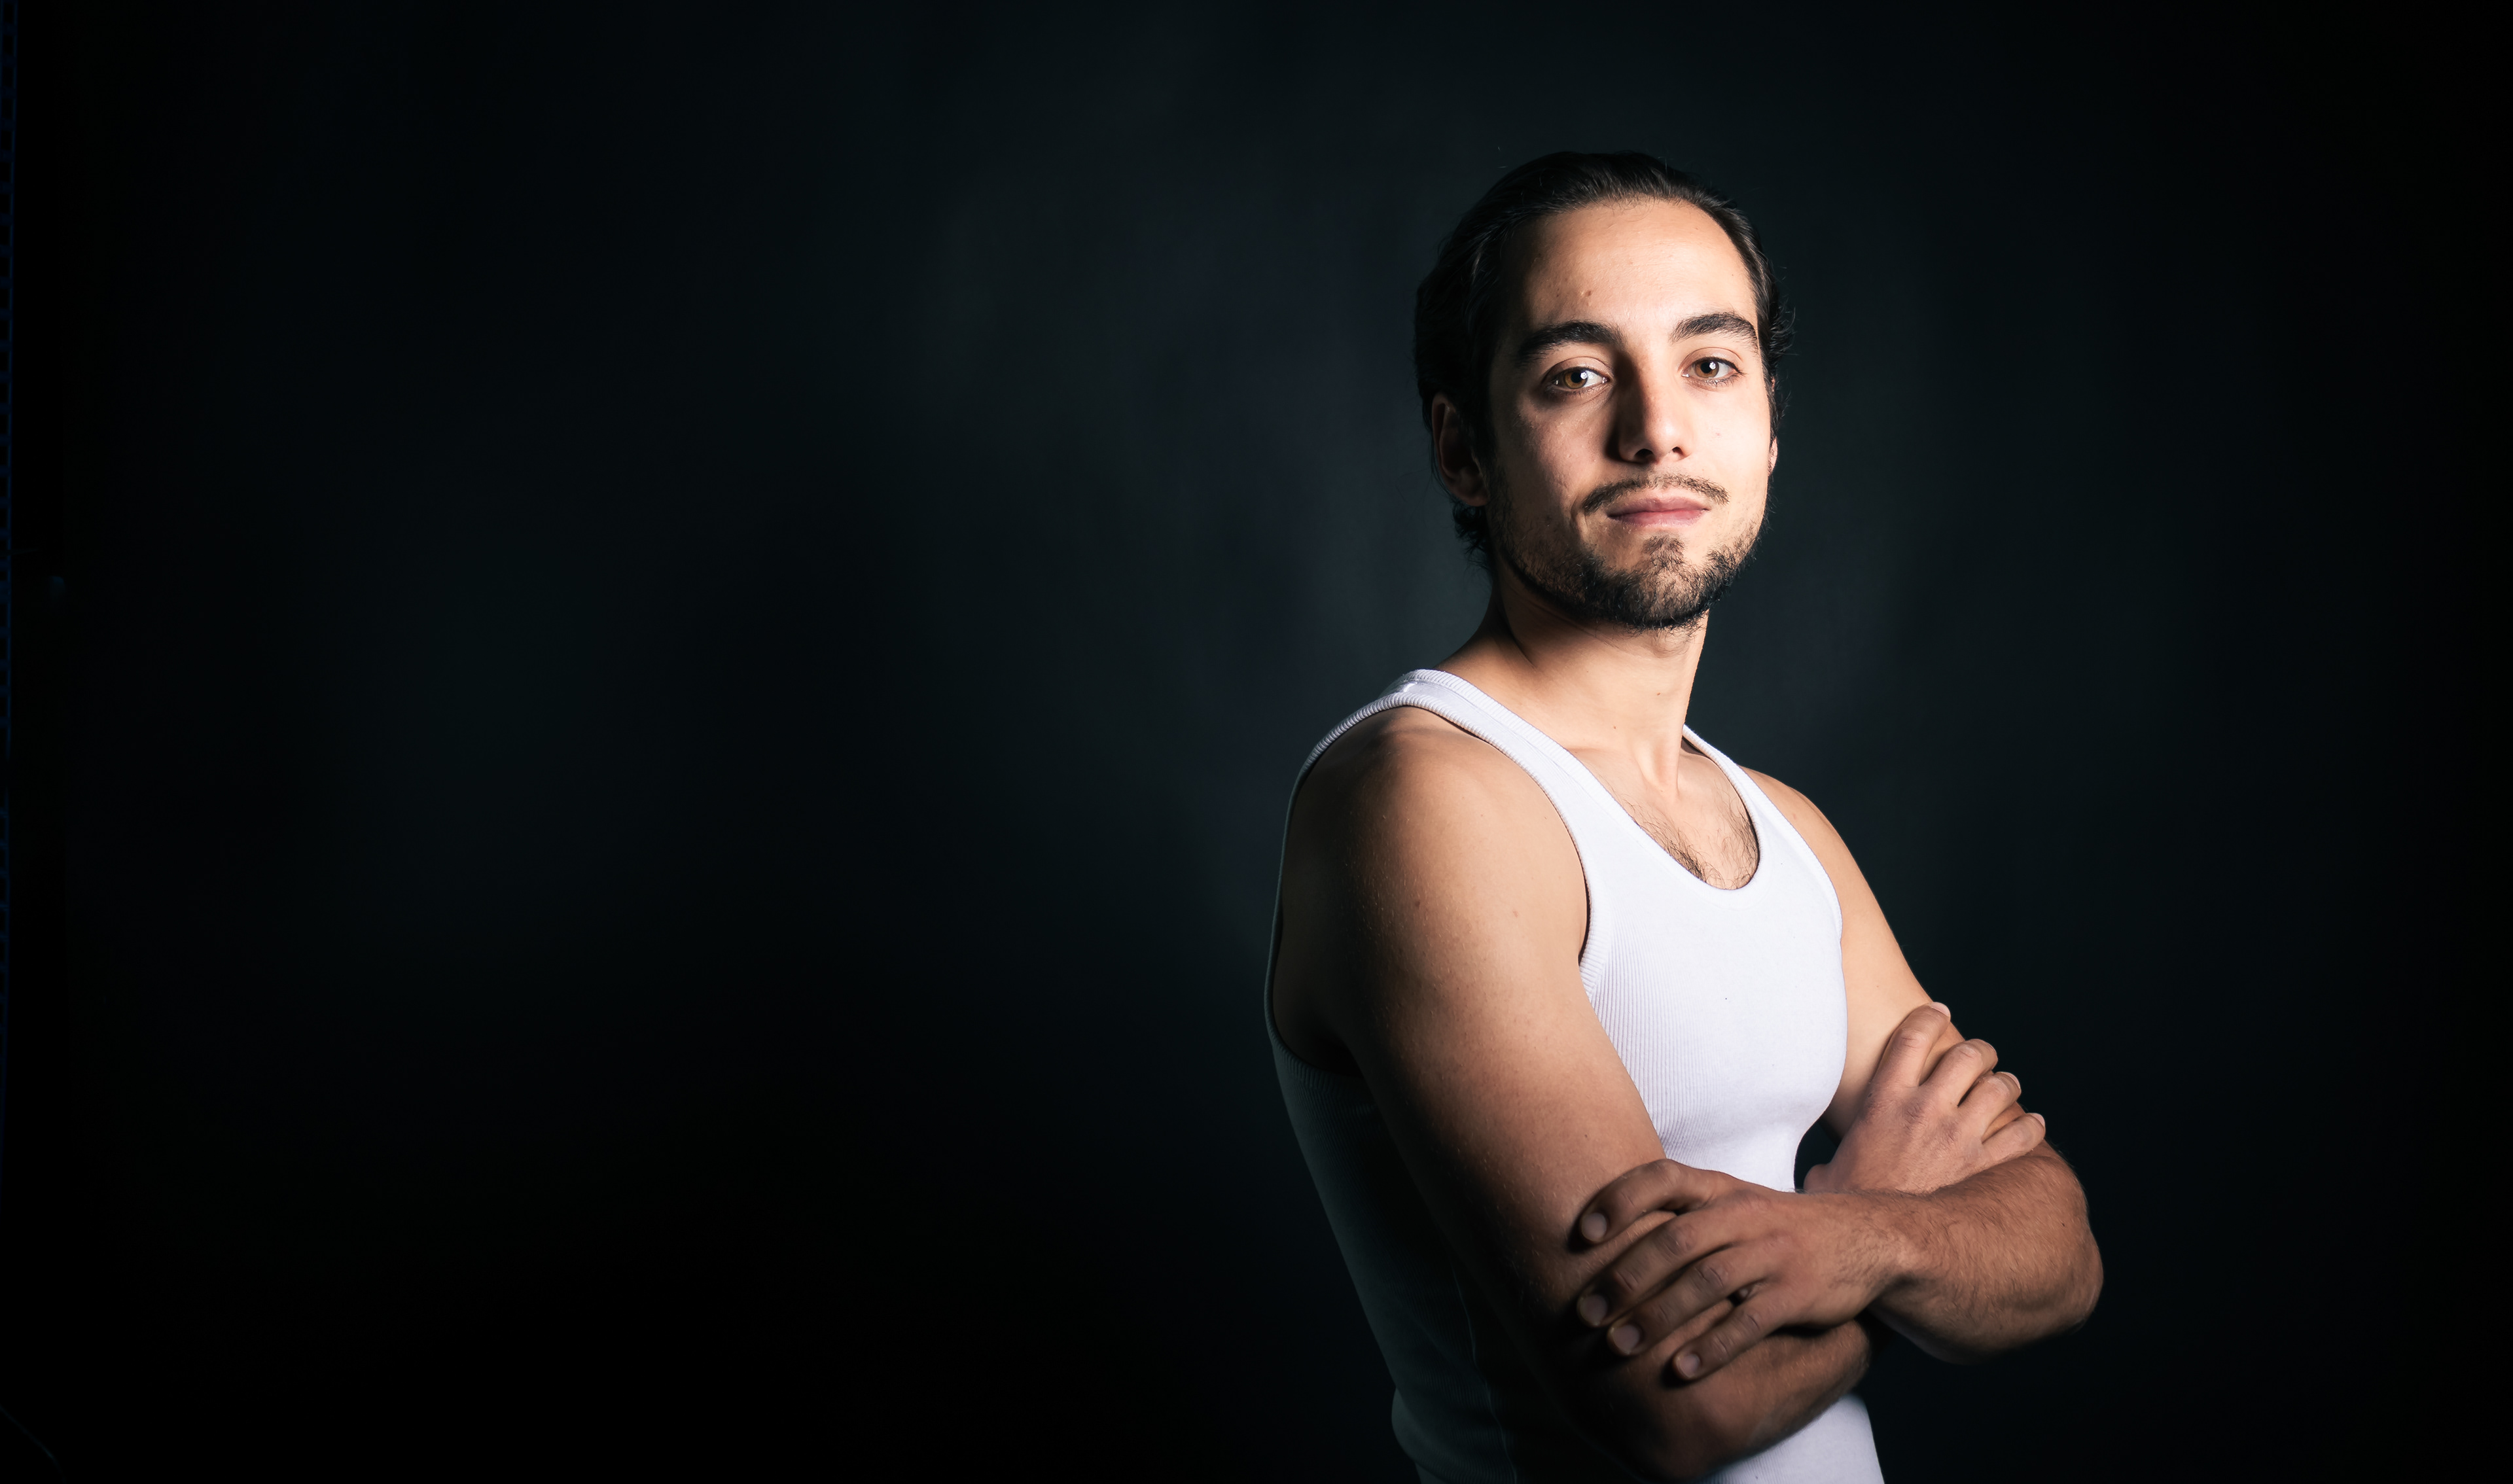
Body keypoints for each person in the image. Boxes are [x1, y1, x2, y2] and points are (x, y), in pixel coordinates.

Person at [1267, 152, 2103, 1483]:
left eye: (1710, 364)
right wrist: (1888, 1228)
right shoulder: (1426, 802)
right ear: (1463, 450)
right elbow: (1680, 1411)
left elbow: (2059, 1253)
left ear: (1768, 429)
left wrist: (1857, 1240)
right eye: (1575, 375)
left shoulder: (1785, 831)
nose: (1657, 428)